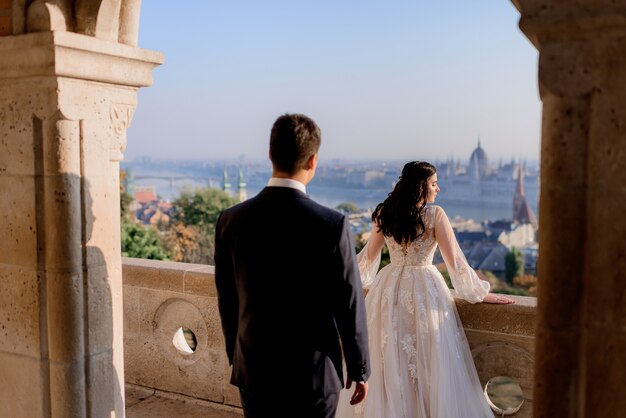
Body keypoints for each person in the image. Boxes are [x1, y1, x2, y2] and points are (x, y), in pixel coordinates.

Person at [214, 113, 371, 418]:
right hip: (313, 373)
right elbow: (349, 304)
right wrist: (358, 367)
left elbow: (227, 298)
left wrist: (236, 354)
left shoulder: (231, 220)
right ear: (313, 161)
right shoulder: (331, 224)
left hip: (254, 367)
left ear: (270, 154)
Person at [335, 161, 514, 418]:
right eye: (434, 184)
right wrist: (479, 293)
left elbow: (367, 258)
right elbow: (455, 263)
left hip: (388, 290)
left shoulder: (385, 212)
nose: (438, 189)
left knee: (390, 360)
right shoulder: (435, 214)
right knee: (427, 362)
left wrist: (343, 282)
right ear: (421, 186)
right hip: (424, 290)